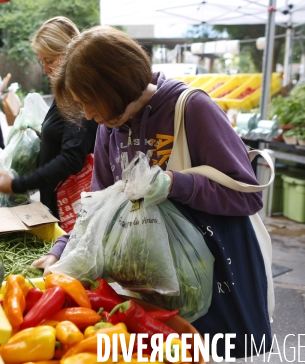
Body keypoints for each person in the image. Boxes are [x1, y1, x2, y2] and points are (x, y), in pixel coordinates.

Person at [32, 26, 272, 360]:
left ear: (116, 85)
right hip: (152, 289)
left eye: (89, 102)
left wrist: (176, 183)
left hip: (214, 283)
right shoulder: (109, 128)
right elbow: (98, 207)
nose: (87, 115)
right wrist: (61, 249)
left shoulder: (190, 109)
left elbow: (248, 195)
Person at [0, 17, 98, 221]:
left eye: (49, 61)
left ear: (69, 55)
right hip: (54, 202)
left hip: (70, 208)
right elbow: (66, 134)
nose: (45, 69)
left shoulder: (79, 95)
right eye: (42, 62)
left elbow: (72, 157)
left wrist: (17, 184)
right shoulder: (64, 91)